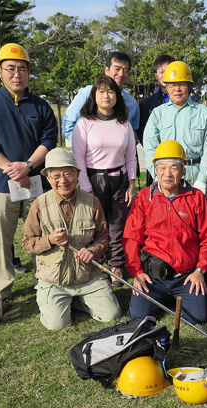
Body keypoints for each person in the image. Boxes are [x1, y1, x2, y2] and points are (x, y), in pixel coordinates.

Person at [0, 43, 58, 308]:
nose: (17, 74)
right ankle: (0, 290)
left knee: (42, 232)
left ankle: (45, 280)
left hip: (35, 182)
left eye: (22, 68)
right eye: (10, 68)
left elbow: (49, 139)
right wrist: (11, 167)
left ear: (29, 72)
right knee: (2, 238)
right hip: (1, 183)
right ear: (0, 71)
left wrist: (28, 166)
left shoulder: (41, 106)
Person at [22, 148, 121, 330]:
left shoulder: (92, 202)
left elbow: (103, 237)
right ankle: (59, 301)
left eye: (68, 174)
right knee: (56, 325)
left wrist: (92, 250)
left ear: (77, 175)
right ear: (48, 178)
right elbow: (27, 243)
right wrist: (50, 240)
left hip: (87, 277)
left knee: (112, 315)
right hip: (53, 280)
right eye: (56, 175)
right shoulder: (39, 204)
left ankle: (72, 302)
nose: (63, 181)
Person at [123, 140, 207, 324]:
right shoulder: (144, 198)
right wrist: (136, 272)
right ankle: (160, 299)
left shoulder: (196, 198)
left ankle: (187, 295)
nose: (167, 174)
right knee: (138, 317)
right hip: (153, 277)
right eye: (162, 167)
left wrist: (200, 271)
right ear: (155, 170)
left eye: (174, 167)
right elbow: (131, 239)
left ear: (183, 170)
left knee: (199, 317)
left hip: (186, 275)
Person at [71, 75, 137, 287]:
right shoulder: (84, 123)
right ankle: (97, 264)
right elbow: (78, 157)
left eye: (110, 92)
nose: (106, 96)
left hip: (120, 180)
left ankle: (116, 265)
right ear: (94, 96)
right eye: (101, 91)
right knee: (96, 225)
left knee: (118, 225)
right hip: (93, 179)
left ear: (117, 96)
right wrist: (86, 186)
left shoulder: (124, 123)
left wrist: (132, 183)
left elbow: (131, 156)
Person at [143, 61, 207, 195]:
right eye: (172, 85)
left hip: (195, 174)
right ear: (166, 87)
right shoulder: (157, 114)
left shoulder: (203, 112)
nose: (176, 89)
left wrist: (202, 180)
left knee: (196, 215)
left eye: (181, 84)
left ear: (189, 86)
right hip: (166, 177)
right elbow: (150, 149)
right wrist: (158, 177)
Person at [62, 51, 140, 143]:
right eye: (117, 69)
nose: (121, 74)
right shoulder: (89, 93)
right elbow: (69, 123)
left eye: (126, 70)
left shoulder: (132, 103)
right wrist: (82, 147)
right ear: (106, 70)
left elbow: (134, 133)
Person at [137, 54, 175, 186]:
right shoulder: (146, 104)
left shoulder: (190, 102)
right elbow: (143, 134)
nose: (165, 75)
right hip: (157, 160)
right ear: (156, 75)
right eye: (161, 72)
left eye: (169, 70)